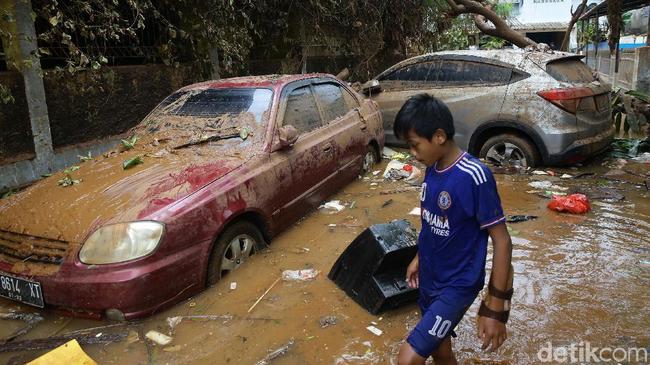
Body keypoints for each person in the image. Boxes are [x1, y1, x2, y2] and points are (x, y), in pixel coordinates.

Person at [394, 93, 513, 365]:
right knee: (441, 350)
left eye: (414, 145)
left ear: (438, 136)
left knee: (408, 358)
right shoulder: (432, 169)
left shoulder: (475, 176)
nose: (413, 153)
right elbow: (431, 223)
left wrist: (495, 307)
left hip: (457, 285)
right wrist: (419, 257)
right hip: (431, 279)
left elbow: (503, 241)